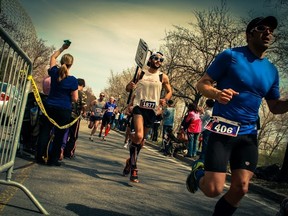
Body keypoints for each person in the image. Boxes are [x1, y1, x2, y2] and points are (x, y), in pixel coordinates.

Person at [186, 16, 288, 216]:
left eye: (271, 30)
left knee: (241, 188)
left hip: (248, 134)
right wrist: (217, 93)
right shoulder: (230, 56)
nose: (268, 32)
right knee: (213, 189)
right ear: (249, 34)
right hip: (223, 130)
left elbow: (275, 107)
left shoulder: (272, 71)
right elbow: (202, 83)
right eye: (262, 28)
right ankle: (197, 172)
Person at [123, 51, 172, 183]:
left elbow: (169, 91)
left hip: (152, 110)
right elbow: (128, 89)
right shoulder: (141, 73)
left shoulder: (163, 77)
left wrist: (165, 100)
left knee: (141, 141)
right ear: (150, 60)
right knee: (138, 136)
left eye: (161, 60)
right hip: (139, 107)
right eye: (156, 58)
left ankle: (129, 160)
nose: (158, 61)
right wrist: (130, 86)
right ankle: (134, 168)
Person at [36, 41, 78, 166]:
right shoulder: (73, 80)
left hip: (49, 107)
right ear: (71, 65)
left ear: (62, 62)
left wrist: (62, 48)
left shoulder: (54, 73)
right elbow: (75, 98)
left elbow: (52, 57)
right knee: (59, 135)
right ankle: (53, 160)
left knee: (45, 131)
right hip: (64, 110)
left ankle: (40, 156)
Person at [63, 78, 87, 159]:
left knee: (63, 132)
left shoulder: (70, 90)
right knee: (74, 135)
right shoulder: (82, 94)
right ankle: (68, 153)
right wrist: (84, 112)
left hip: (66, 113)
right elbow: (83, 105)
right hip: (75, 116)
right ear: (82, 86)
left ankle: (60, 149)